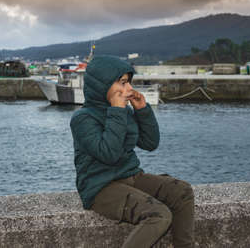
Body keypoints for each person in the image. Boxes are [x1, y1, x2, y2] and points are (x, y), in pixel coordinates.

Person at [70, 55, 194, 248]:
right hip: (100, 187)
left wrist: (142, 110)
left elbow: (150, 142)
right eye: (123, 83)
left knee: (182, 191)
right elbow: (108, 154)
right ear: (102, 86)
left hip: (131, 177)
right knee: (159, 215)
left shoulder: (123, 112)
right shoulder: (83, 119)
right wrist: (117, 110)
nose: (129, 89)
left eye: (129, 82)